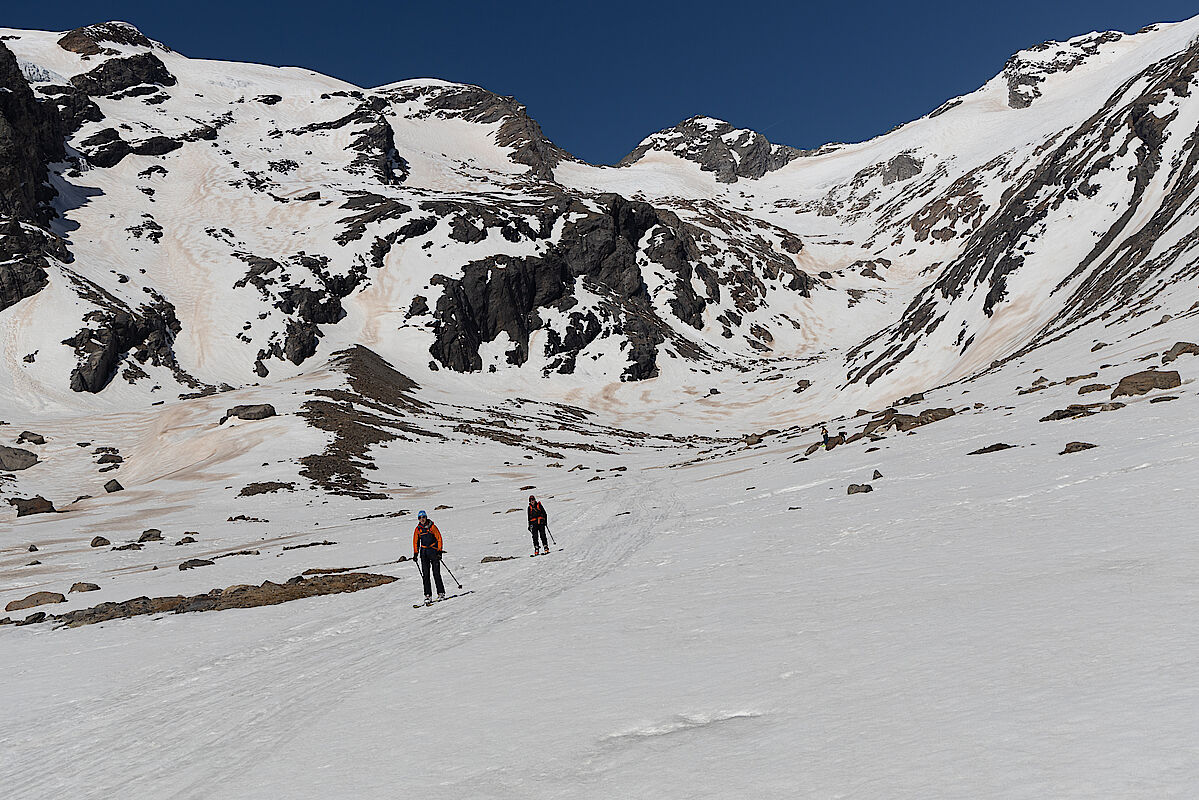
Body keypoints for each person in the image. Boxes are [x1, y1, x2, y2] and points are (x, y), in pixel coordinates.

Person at [412, 510, 445, 603]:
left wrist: (439, 551)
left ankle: (441, 593)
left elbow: (439, 538)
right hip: (424, 553)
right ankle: (427, 595)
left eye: (423, 517)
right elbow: (416, 541)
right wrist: (415, 553)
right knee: (425, 575)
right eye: (420, 517)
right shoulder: (418, 529)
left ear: (426, 517)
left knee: (436, 573)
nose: (422, 519)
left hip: (433, 551)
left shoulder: (432, 527)